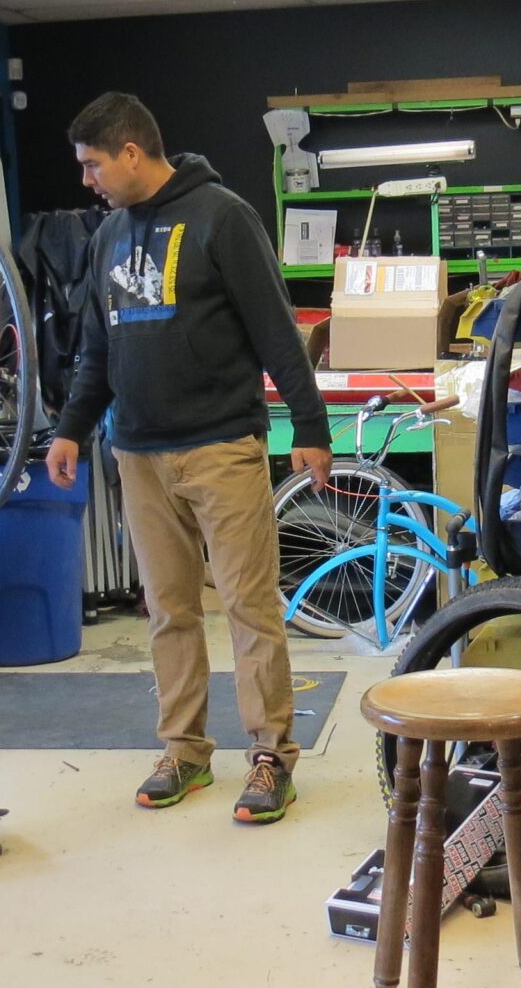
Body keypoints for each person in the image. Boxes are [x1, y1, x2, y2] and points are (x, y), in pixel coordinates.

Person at [46, 93, 333, 824]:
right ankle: (185, 749)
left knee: (248, 604)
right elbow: (97, 352)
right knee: (168, 609)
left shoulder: (222, 216)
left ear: (131, 153)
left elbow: (276, 329)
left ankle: (270, 755)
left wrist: (311, 424)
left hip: (222, 445)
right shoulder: (108, 234)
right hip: (139, 453)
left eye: (92, 164)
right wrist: (72, 428)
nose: (87, 179)